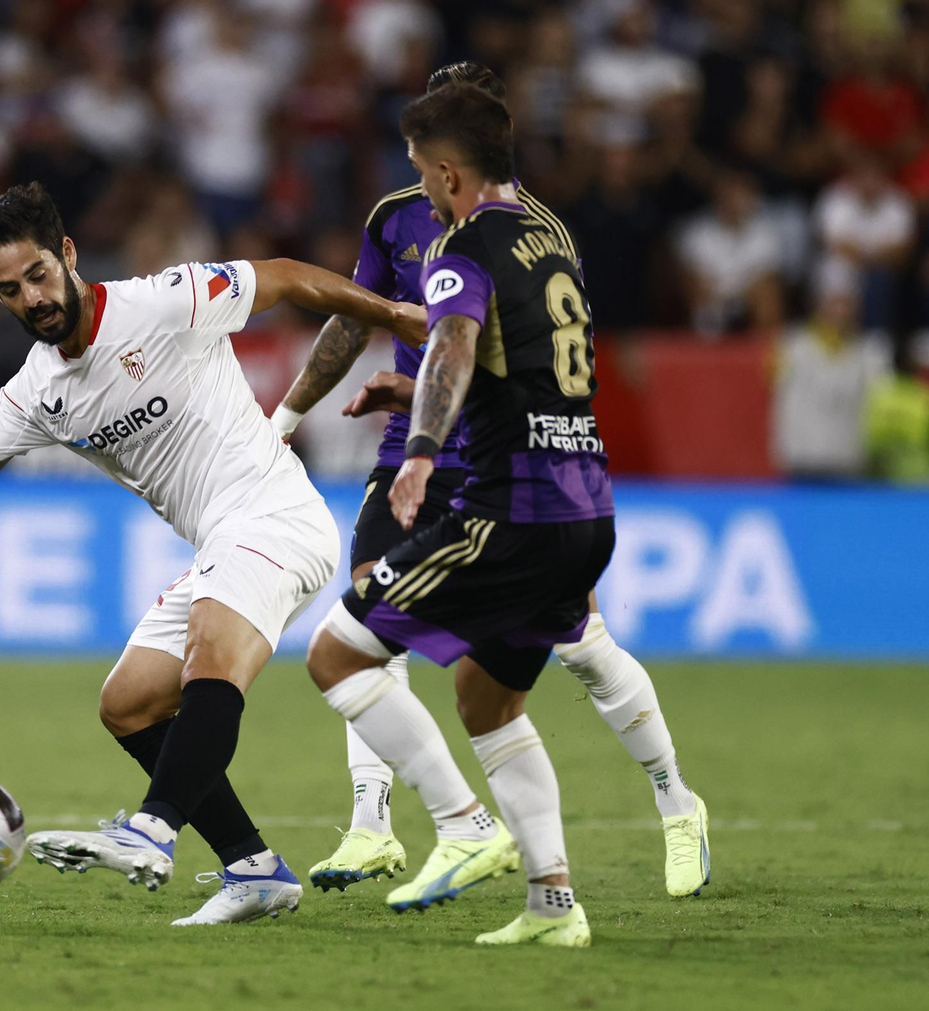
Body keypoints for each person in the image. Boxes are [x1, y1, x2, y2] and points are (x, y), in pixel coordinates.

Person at [0, 182, 425, 925]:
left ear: (68, 254)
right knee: (130, 702)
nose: (33, 298)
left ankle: (151, 828)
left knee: (211, 646)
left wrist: (395, 314)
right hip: (224, 539)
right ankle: (254, 868)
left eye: (40, 274)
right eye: (10, 290)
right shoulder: (35, 391)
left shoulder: (162, 300)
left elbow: (280, 275)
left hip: (277, 515)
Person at [274, 62, 708, 905]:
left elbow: (462, 344)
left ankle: (667, 800)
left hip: (503, 485)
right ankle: (413, 837)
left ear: (452, 160)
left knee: (568, 647)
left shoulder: (475, 237)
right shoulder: (478, 228)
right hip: (549, 479)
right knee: (455, 672)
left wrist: (429, 440)